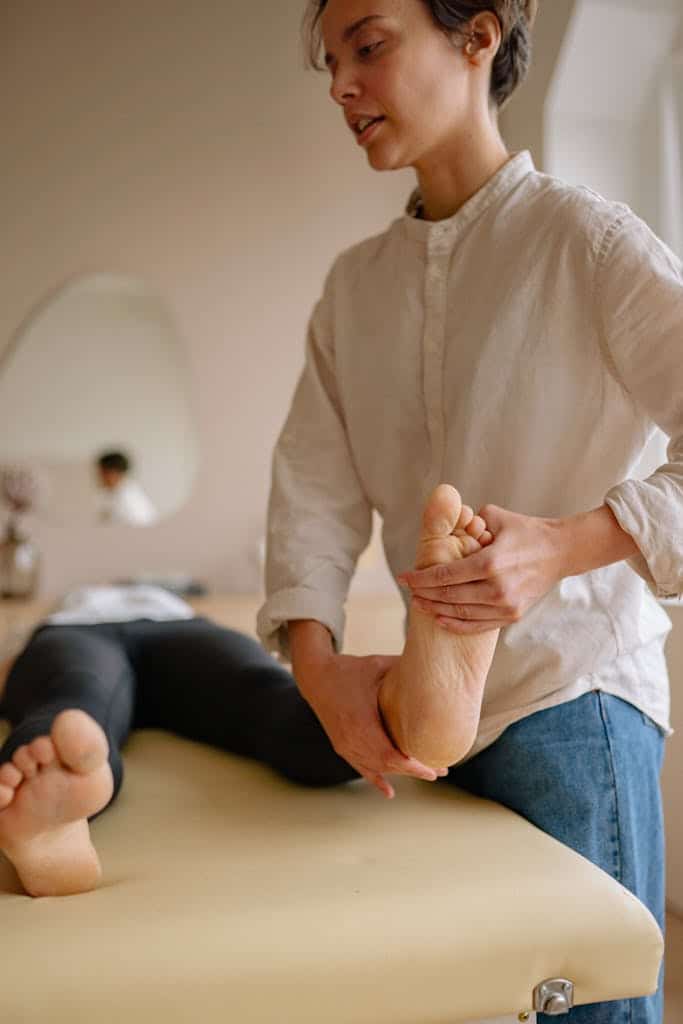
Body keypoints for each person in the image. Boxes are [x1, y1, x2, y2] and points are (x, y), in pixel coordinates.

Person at [256, 3, 683, 1022]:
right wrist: (320, 674)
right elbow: (310, 496)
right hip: (412, 730)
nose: (339, 86)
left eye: (369, 45)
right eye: (331, 61)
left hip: (568, 701)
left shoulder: (588, 243)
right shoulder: (351, 290)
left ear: (476, 36)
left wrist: (568, 544)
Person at [0, 487, 489, 898]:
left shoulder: (174, 598)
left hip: (176, 628)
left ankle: (405, 713)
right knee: (74, 708)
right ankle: (53, 812)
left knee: (266, 694)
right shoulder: (68, 604)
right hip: (82, 632)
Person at [96, 450, 159, 527]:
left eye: (102, 473)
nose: (99, 477)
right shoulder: (111, 494)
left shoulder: (129, 498)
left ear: (113, 473)